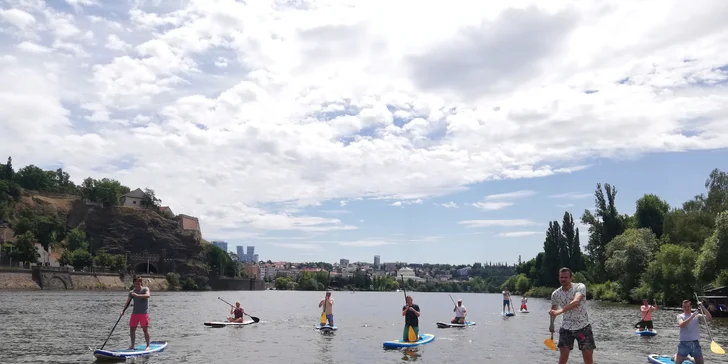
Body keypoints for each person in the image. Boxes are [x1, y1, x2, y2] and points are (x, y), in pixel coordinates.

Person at [549, 267, 595, 364]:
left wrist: (559, 311)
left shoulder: (580, 287)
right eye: (561, 277)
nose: (563, 279)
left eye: (565, 277)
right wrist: (551, 324)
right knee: (563, 357)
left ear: (571, 278)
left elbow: (576, 302)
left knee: (588, 358)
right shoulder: (555, 294)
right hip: (566, 328)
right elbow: (554, 310)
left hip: (583, 328)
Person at [674, 298, 712, 364]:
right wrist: (692, 316)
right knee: (677, 363)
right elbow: (682, 325)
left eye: (688, 306)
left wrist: (702, 307)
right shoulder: (680, 316)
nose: (687, 308)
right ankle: (675, 356)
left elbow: (709, 318)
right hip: (684, 343)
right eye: (685, 307)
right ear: (682, 307)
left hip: (695, 343)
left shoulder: (697, 315)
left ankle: (689, 358)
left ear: (691, 307)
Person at [123, 275, 151, 350]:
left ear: (141, 283)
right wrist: (123, 311)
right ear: (134, 283)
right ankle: (132, 345)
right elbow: (127, 302)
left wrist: (137, 295)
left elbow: (148, 296)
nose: (138, 283)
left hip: (143, 314)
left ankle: (148, 346)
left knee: (145, 330)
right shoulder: (131, 292)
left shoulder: (145, 289)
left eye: (139, 282)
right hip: (135, 313)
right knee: (132, 329)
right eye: (136, 282)